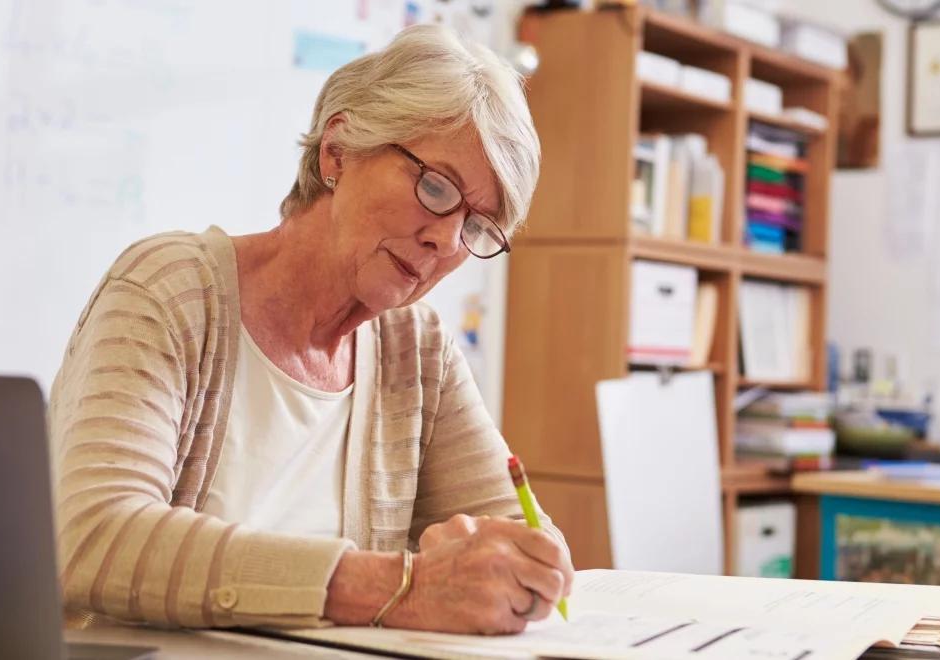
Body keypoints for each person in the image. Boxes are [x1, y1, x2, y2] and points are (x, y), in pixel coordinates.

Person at [49, 24, 572, 636]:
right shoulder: (170, 290)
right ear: (338, 152)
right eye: (436, 188)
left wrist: (525, 567)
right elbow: (94, 536)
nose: (445, 239)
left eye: (478, 227)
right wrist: (399, 588)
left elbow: (518, 542)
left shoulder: (417, 350)